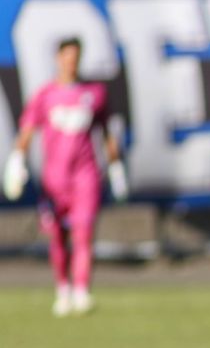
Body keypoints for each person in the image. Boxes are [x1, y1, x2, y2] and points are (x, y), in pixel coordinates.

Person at [3, 38, 127, 316]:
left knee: (84, 233)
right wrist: (17, 161)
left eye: (76, 57)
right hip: (54, 179)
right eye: (67, 57)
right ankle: (63, 290)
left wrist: (116, 167)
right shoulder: (45, 95)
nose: (71, 62)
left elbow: (107, 133)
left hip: (85, 176)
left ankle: (82, 290)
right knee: (58, 236)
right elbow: (27, 132)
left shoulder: (94, 93)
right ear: (58, 58)